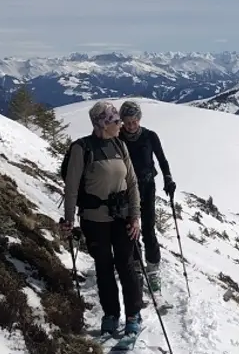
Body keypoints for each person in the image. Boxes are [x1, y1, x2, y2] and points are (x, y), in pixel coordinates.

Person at [60, 101, 145, 337]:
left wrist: (135, 216)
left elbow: (132, 183)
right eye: (115, 121)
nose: (120, 125)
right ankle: (111, 314)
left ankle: (132, 314)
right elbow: (72, 188)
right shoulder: (82, 148)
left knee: (126, 266)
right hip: (94, 219)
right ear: (102, 123)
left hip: (122, 218)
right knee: (104, 267)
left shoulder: (120, 145)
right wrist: (69, 220)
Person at [118, 100, 175, 292]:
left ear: (139, 119)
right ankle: (137, 266)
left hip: (148, 186)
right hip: (125, 189)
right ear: (122, 121)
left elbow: (161, 159)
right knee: (131, 228)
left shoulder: (150, 136)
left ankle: (152, 269)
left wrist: (168, 178)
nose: (131, 125)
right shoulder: (117, 138)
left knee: (149, 228)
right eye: (127, 122)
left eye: (134, 121)